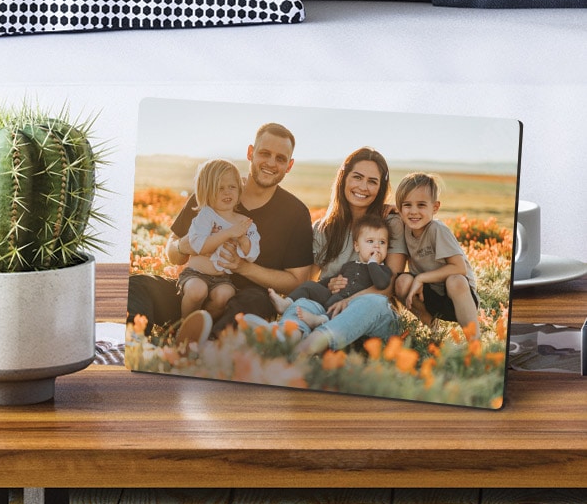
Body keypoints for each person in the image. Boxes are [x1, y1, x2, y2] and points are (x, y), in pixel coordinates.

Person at [157, 123, 313, 344]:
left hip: (247, 297)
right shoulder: (213, 190)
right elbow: (173, 251)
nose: (271, 163)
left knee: (252, 303)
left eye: (280, 158)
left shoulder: (295, 213)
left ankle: (206, 344)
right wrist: (184, 246)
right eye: (265, 153)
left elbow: (296, 281)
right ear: (250, 153)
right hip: (194, 287)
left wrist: (243, 267)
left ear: (289, 165)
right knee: (141, 287)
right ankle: (155, 334)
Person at [247, 147, 409, 356]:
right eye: (357, 177)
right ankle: (286, 336)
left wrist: (347, 301)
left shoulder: (390, 223)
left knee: (373, 302)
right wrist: (329, 283)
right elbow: (307, 279)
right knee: (305, 302)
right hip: (329, 311)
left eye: (372, 181)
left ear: (381, 188)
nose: (363, 187)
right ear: (343, 179)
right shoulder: (324, 228)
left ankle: (308, 347)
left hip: (373, 319)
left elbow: (389, 288)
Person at [392, 172, 480, 338]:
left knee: (455, 280)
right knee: (402, 282)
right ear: (399, 208)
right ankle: (433, 330)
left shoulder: (437, 229)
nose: (413, 211)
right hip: (429, 296)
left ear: (435, 208)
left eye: (421, 205)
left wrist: (421, 278)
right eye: (407, 205)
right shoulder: (404, 228)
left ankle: (474, 341)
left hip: (458, 298)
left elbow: (459, 268)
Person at [270, 213, 393, 330]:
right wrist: (319, 287)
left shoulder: (383, 270)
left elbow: (381, 283)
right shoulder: (349, 265)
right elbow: (330, 280)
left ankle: (320, 320)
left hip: (351, 305)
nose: (377, 246)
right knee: (309, 286)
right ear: (357, 246)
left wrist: (373, 263)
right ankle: (287, 303)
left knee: (339, 307)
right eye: (370, 241)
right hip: (333, 296)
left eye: (382, 242)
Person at [177, 159, 260, 319]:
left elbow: (253, 254)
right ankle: (184, 325)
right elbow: (199, 246)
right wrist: (228, 233)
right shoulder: (206, 215)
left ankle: (203, 326)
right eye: (220, 188)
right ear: (206, 191)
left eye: (232, 187)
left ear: (239, 189)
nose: (227, 192)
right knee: (197, 291)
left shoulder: (245, 222)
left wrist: (243, 241)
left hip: (222, 278)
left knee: (225, 295)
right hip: (196, 274)